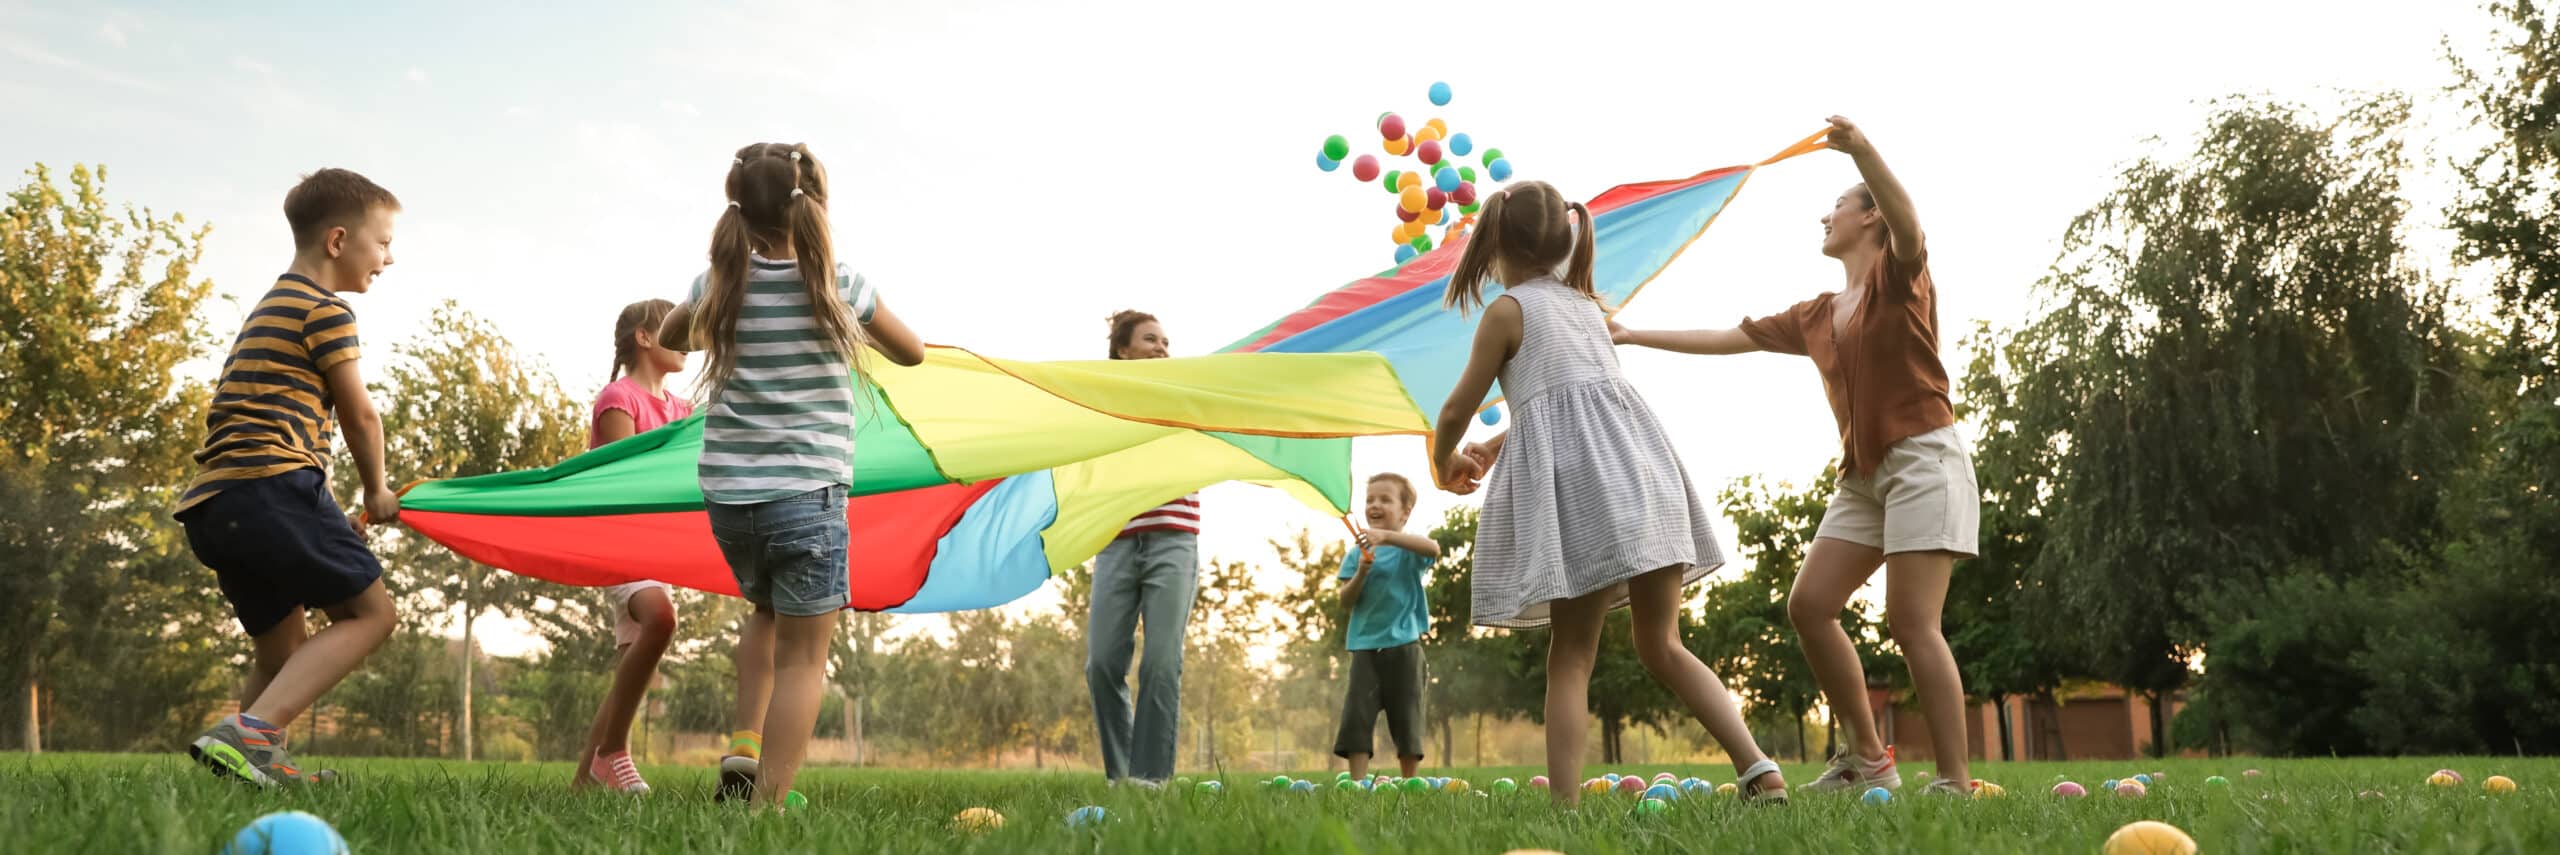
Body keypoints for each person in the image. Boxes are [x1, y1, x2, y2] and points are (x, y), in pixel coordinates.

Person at [1611, 116, 1978, 795]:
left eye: (1837, 206)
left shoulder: (1900, 276)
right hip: (1862, 476)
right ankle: (1868, 758)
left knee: (1910, 621)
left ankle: (1955, 780)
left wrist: (1861, 151)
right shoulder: (1815, 313)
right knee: (1810, 605)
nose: (1825, 217)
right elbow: (1730, 336)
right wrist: (1633, 334)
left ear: (1869, 217)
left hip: (1924, 460)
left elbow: (1910, 225)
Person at [1427, 180, 1788, 805]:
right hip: (1646, 478)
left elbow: (1460, 408)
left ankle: (1565, 811)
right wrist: (1502, 442)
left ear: (1497, 245)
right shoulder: (1586, 308)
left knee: (1571, 656)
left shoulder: (1508, 311)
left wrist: (1442, 461)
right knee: (1664, 644)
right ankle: (1760, 770)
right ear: (1564, 240)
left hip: (1586, 497)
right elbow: (1576, 404)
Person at [657, 142, 926, 809]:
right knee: (806, 659)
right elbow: (913, 352)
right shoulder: (838, 284)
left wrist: (718, 303)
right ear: (815, 206)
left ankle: (743, 746)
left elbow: (670, 336)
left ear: (738, 210)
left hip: (730, 500)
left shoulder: (719, 284)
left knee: (766, 611)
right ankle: (765, 810)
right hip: (807, 494)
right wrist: (849, 324)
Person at [176, 168, 405, 787]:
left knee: (280, 653)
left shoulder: (270, 307)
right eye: (383, 243)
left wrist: (323, 508)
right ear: (338, 241)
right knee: (372, 614)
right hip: (271, 488)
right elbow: (359, 413)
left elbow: (265, 422)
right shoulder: (325, 311)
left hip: (218, 504)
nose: (389, 258)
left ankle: (241, 768)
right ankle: (250, 735)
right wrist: (377, 489)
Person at [570, 298, 695, 793]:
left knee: (629, 669)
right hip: (621, 543)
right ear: (644, 338)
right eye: (674, 329)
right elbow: (625, 481)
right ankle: (614, 752)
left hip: (657, 551)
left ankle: (584, 783)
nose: (687, 341)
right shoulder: (618, 399)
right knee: (661, 619)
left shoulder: (683, 410)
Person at [1083, 309, 1201, 787]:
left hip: (1173, 540)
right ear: (1122, 351)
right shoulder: (1101, 405)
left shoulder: (1186, 396)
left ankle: (1150, 782)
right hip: (1115, 542)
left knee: (1161, 661)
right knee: (1102, 664)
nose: (1162, 348)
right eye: (1151, 340)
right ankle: (1122, 776)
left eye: (1166, 342)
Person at [1332, 473, 1438, 781]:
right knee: (1357, 717)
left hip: (1404, 648)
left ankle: (1409, 781)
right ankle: (1357, 782)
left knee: (1407, 718)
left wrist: (1386, 538)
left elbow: (1433, 549)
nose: (1374, 505)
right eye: (1370, 500)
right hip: (1365, 648)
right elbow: (1345, 600)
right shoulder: (1356, 554)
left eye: (1385, 500)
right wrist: (1361, 573)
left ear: (1405, 512)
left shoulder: (1408, 551)